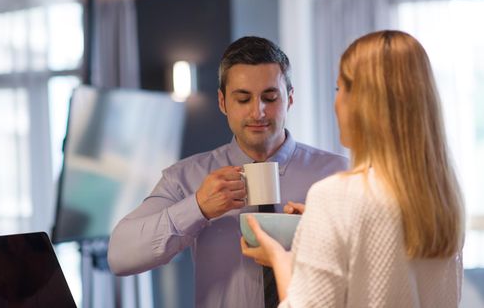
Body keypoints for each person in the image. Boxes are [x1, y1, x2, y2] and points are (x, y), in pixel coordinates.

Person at [107, 36, 348, 308]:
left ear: (290, 99)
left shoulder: (339, 174)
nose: (258, 112)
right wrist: (197, 208)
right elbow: (119, 255)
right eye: (243, 99)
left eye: (270, 97)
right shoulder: (185, 178)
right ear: (222, 102)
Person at [241, 30, 465, 307]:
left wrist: (279, 258)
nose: (336, 102)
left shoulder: (337, 195)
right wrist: (325, 226)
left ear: (362, 102)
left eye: (339, 89)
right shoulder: (442, 199)